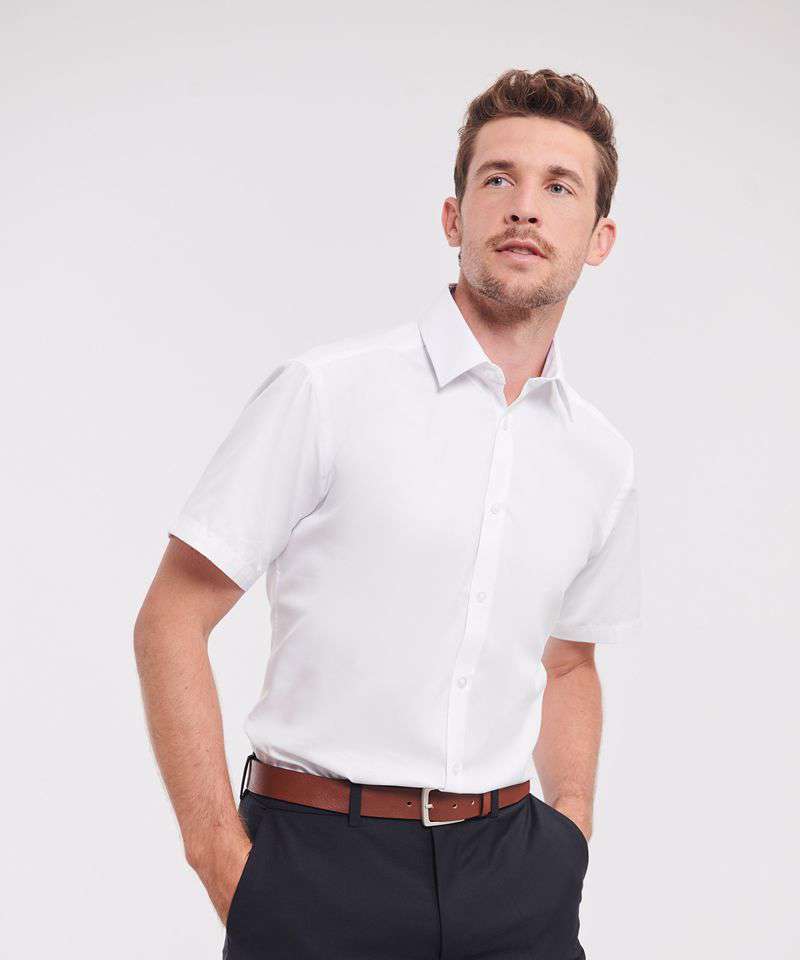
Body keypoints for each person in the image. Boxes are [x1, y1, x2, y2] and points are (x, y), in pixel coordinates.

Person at [134, 66, 642, 960]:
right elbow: (173, 614)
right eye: (498, 178)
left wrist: (571, 830)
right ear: (454, 218)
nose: (525, 207)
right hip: (316, 865)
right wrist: (219, 853)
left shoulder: (600, 458)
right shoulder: (327, 394)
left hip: (514, 874)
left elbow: (569, 661)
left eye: (559, 187)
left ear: (598, 238)